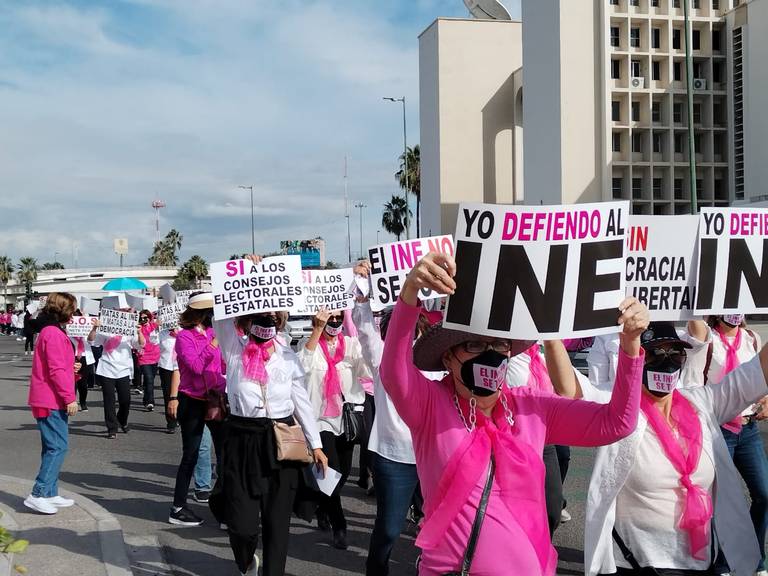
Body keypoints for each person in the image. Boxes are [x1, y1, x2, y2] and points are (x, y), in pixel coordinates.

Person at [380, 252, 648, 576]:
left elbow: (616, 423)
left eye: (500, 345)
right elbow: (395, 373)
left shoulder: (533, 408)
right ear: (448, 359)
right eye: (476, 346)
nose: (491, 355)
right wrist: (410, 294)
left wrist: (631, 345)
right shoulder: (431, 406)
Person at [546, 320, 768, 576]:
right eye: (656, 353)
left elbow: (757, 373)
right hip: (637, 563)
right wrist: (551, 336)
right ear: (639, 358)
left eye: (675, 352)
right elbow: (570, 387)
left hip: (699, 564)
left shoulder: (702, 403)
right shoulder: (618, 406)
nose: (667, 360)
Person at [209, 278, 329, 576]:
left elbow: (301, 401)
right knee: (242, 525)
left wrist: (316, 445)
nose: (267, 320)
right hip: (242, 440)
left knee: (277, 524)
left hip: (281, 441)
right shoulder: (234, 349)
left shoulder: (288, 356)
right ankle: (247, 561)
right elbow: (221, 316)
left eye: (273, 316)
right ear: (247, 321)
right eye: (260, 315)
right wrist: (245, 274)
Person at [351, 262, 443, 576]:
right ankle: (376, 569)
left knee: (438, 524)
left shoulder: (437, 361)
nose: (407, 338)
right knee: (389, 529)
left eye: (413, 329)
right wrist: (362, 290)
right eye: (398, 331)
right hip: (394, 457)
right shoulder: (382, 360)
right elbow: (364, 330)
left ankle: (430, 567)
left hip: (435, 455)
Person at [299, 307, 372, 550]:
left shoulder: (351, 345)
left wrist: (366, 340)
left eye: (338, 318)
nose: (334, 322)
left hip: (346, 419)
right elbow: (301, 368)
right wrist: (317, 329)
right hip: (319, 420)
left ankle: (323, 505)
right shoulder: (307, 343)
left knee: (338, 478)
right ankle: (340, 526)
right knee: (331, 473)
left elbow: (368, 369)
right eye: (329, 319)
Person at [705, 314, 768, 576]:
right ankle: (722, 563)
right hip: (718, 429)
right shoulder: (708, 340)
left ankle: (754, 557)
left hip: (748, 428)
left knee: (764, 494)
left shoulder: (752, 338)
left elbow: (760, 375)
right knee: (721, 501)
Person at [168, 292, 225, 527]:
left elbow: (221, 365)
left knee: (225, 453)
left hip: (213, 399)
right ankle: (178, 508)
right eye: (211, 312)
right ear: (201, 314)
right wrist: (213, 343)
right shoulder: (184, 337)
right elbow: (195, 366)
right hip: (191, 401)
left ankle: (225, 506)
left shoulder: (215, 333)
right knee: (190, 455)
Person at [24, 292, 80, 515]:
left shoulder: (50, 331)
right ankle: (38, 493)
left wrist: (72, 369)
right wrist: (70, 398)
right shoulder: (53, 333)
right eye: (72, 308)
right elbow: (55, 370)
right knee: (58, 446)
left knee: (52, 446)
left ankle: (49, 492)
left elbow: (57, 367)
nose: (74, 313)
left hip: (48, 397)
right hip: (51, 399)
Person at [88, 302, 144, 439]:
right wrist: (95, 328)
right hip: (107, 367)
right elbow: (91, 341)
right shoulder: (106, 328)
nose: (123, 313)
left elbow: (140, 344)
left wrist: (139, 332)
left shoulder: (130, 329)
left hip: (124, 369)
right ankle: (112, 428)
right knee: (109, 400)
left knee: (125, 400)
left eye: (125, 310)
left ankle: (122, 420)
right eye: (120, 310)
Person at [70, 311, 96, 412]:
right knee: (72, 382)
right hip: (72, 356)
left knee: (83, 383)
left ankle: (83, 402)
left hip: (85, 357)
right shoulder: (68, 331)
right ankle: (72, 401)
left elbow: (91, 342)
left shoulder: (87, 329)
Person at [137, 309, 160, 411]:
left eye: (145, 317)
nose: (143, 319)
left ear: (149, 317)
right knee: (149, 378)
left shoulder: (154, 326)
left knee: (149, 380)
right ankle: (150, 401)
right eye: (141, 318)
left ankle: (146, 398)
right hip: (143, 357)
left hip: (155, 356)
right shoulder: (138, 328)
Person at [158, 326, 179, 433]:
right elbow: (153, 342)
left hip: (181, 368)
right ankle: (171, 422)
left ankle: (179, 415)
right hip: (167, 366)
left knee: (180, 394)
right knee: (168, 394)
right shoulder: (162, 333)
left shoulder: (184, 331)